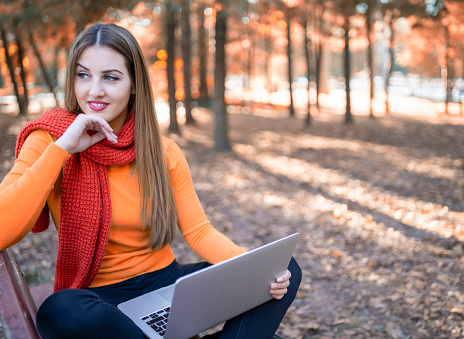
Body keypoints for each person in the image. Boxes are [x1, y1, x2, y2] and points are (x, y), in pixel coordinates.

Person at [0, 22, 301, 339]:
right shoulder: (49, 139)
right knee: (60, 312)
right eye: (83, 74)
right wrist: (63, 149)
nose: (94, 90)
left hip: (167, 284)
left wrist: (254, 270)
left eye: (111, 77)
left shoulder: (163, 151)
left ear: (133, 84)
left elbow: (199, 231)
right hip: (102, 301)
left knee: (284, 270)